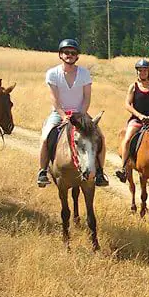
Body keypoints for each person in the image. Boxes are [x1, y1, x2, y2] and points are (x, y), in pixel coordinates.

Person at [36, 38, 109, 187]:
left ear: (77, 56)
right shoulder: (52, 73)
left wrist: (80, 117)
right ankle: (43, 171)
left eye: (73, 53)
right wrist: (63, 116)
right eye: (66, 52)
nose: (69, 55)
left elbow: (87, 97)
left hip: (80, 113)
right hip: (59, 113)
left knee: (100, 137)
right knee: (45, 137)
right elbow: (54, 99)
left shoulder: (84, 73)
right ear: (60, 55)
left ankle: (100, 172)